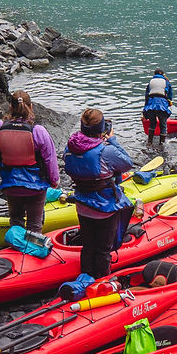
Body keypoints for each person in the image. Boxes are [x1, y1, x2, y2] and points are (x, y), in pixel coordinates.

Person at [62, 107, 137, 278]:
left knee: (88, 245)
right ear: (101, 129)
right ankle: (101, 282)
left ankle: (85, 277)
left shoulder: (70, 147)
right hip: (105, 209)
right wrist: (113, 140)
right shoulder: (106, 150)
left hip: (82, 205)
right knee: (104, 250)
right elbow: (127, 163)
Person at [0, 90, 60, 233]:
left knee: (16, 221)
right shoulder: (38, 131)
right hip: (35, 187)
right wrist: (54, 181)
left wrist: (3, 176)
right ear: (31, 107)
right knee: (35, 225)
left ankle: (15, 245)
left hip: (10, 184)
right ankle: (31, 250)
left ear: (10, 107)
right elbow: (50, 160)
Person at [143, 69, 173, 141]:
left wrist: (144, 111)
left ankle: (149, 142)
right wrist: (169, 102)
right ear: (162, 74)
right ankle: (161, 144)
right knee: (163, 125)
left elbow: (146, 96)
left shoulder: (150, 82)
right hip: (161, 106)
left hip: (150, 106)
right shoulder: (166, 82)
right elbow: (169, 96)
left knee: (152, 124)